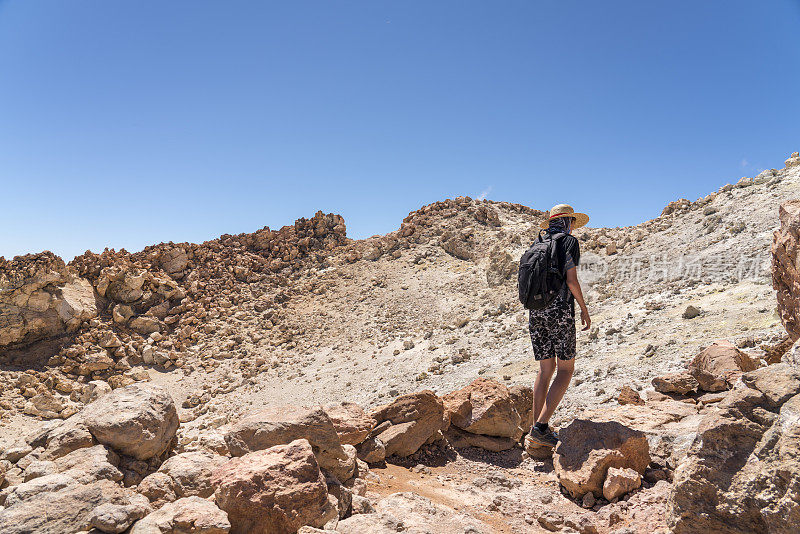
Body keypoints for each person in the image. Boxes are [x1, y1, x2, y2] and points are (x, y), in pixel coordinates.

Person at [525, 204, 591, 448]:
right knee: (565, 370)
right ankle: (541, 428)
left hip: (536, 312)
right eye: (572, 221)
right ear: (568, 222)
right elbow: (571, 279)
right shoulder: (568, 242)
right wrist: (583, 309)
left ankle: (536, 430)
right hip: (559, 311)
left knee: (545, 370)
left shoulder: (538, 243)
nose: (573, 226)